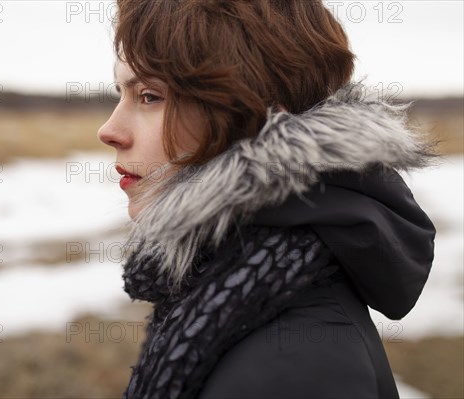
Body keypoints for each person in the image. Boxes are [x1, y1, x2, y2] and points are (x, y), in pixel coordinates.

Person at [97, 1, 440, 398]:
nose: (110, 130)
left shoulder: (297, 363)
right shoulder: (235, 286)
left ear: (261, 113)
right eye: (121, 93)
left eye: (150, 96)